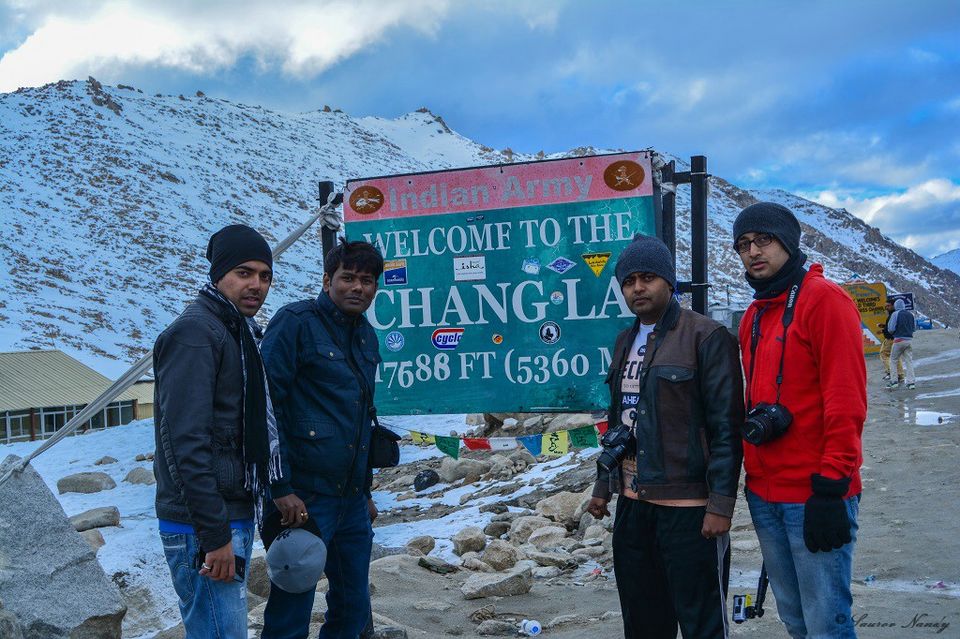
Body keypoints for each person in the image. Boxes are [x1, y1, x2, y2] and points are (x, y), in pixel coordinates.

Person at [587, 234, 744, 639]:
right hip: (634, 507)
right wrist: (603, 486)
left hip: (689, 508)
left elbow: (727, 428)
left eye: (648, 278)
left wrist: (720, 505)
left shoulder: (707, 337)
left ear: (669, 282)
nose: (638, 288)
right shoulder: (625, 341)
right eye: (628, 281)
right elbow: (618, 420)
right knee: (642, 623)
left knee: (701, 623)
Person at [733, 202, 866, 639]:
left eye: (763, 240)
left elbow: (846, 401)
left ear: (788, 242)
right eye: (744, 244)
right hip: (764, 493)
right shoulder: (754, 314)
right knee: (794, 619)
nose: (753, 251)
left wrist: (831, 487)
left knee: (826, 622)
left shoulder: (825, 301)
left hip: (815, 493)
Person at [153, 224, 280, 638]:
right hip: (202, 525)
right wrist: (214, 535)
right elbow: (185, 442)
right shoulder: (196, 333)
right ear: (218, 274)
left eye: (264, 276)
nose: (256, 285)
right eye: (244, 273)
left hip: (229, 513)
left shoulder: (235, 330)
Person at [259, 238, 384, 639]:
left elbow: (361, 420)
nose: (358, 288)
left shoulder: (366, 335)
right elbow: (264, 409)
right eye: (348, 278)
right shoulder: (294, 323)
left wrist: (364, 492)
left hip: (350, 501)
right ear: (328, 279)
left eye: (367, 280)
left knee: (352, 607)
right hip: (302, 498)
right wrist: (280, 487)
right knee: (291, 610)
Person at [886, 298, 916, 390]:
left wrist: (894, 333)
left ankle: (894, 381)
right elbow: (914, 328)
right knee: (909, 361)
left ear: (896, 306)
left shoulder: (895, 314)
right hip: (909, 340)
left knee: (893, 360)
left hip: (898, 340)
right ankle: (911, 383)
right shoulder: (911, 314)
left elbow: (891, 328)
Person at [878, 299, 903, 384]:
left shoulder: (892, 315)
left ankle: (891, 372)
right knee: (896, 356)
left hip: (890, 339)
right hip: (897, 338)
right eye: (885, 306)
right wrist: (884, 327)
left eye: (888, 306)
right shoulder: (897, 314)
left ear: (893, 305)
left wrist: (883, 331)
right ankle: (900, 374)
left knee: (884, 354)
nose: (886, 308)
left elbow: (891, 329)